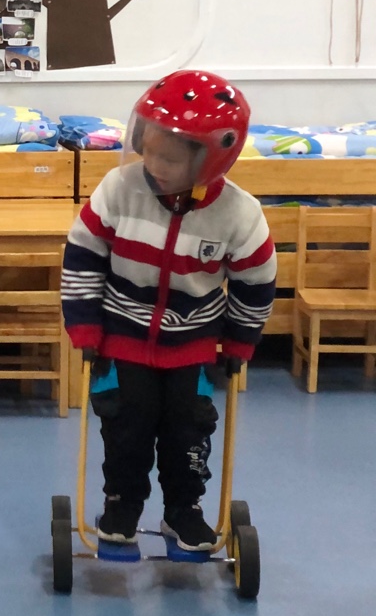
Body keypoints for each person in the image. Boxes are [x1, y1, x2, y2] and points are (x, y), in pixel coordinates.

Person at [62, 71, 276, 551]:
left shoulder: (239, 214)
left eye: (170, 159)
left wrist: (240, 341)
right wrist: (84, 325)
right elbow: (82, 255)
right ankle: (122, 504)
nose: (154, 165)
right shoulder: (118, 189)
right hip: (122, 338)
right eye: (149, 150)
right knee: (126, 428)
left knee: (188, 433)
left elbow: (256, 282)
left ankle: (184, 509)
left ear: (210, 160)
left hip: (192, 347)